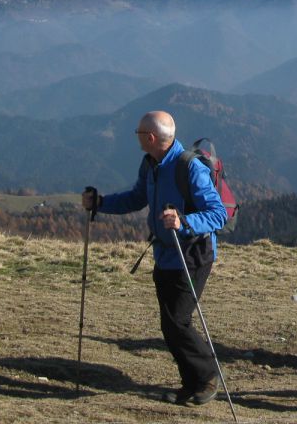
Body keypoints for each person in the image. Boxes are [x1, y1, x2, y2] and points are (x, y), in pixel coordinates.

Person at [81, 110, 226, 405]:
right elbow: (137, 198)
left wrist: (184, 221)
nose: (135, 136)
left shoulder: (190, 168)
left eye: (138, 132)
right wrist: (101, 204)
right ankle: (192, 382)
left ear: (150, 137)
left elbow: (218, 214)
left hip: (193, 255)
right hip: (165, 253)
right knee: (170, 324)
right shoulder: (151, 164)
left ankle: (207, 376)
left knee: (177, 321)